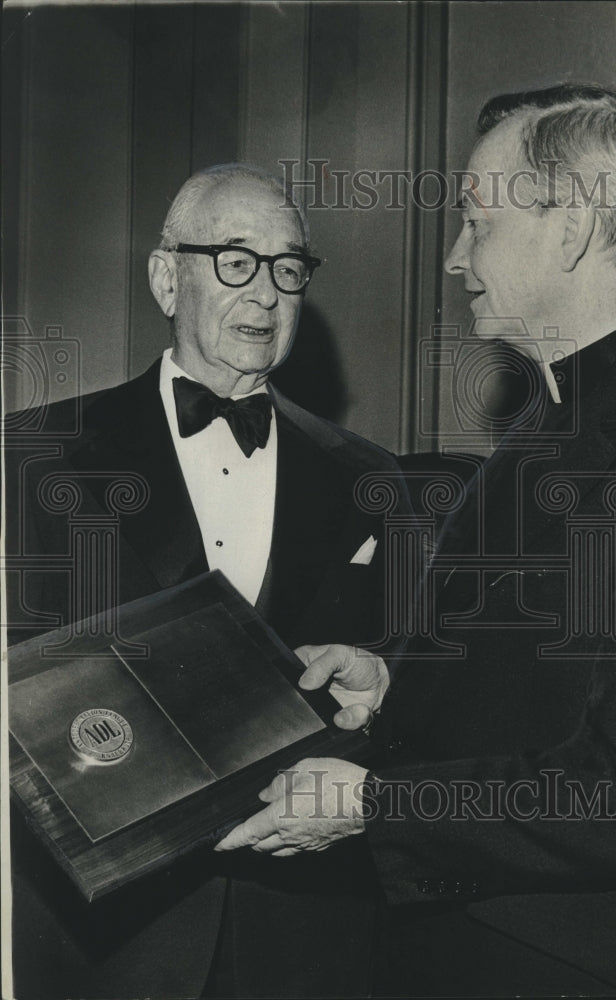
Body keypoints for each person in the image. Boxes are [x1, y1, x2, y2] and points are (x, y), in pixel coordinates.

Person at [217, 85, 616, 996]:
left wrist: (376, 804)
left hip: (567, 961)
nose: (455, 257)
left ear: (571, 226)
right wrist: (398, 679)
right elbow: (543, 676)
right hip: (464, 933)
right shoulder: (545, 421)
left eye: (477, 221)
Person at [6, 164, 404, 998]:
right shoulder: (31, 455)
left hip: (305, 936)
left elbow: (410, 678)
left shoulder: (374, 478)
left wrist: (386, 689)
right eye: (234, 259)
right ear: (165, 277)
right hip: (106, 946)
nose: (265, 293)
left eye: (288, 267)